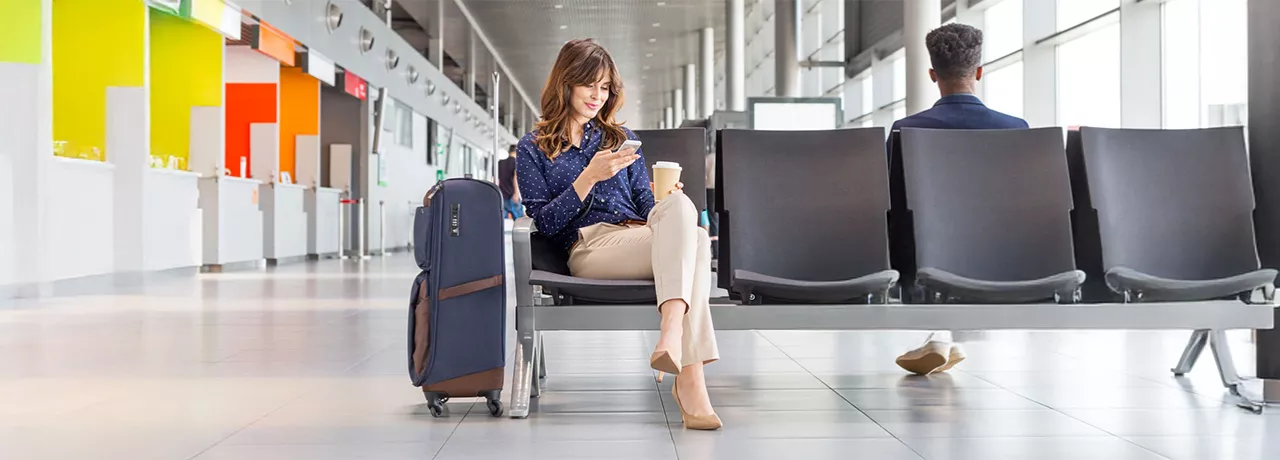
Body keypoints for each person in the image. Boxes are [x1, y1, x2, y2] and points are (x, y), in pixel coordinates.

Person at [515, 39, 721, 430]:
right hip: (589, 247)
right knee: (694, 242)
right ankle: (688, 377)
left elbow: (645, 205)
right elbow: (545, 223)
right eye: (589, 84)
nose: (598, 95)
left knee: (683, 211)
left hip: (638, 238)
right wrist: (588, 177)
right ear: (565, 83)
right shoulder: (533, 147)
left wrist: (667, 203)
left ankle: (672, 335)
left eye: (605, 87)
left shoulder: (619, 139)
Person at [890, 23, 1028, 376]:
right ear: (979, 72)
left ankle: (940, 335)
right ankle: (944, 337)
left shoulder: (906, 130)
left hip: (925, 257)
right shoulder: (1016, 129)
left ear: (932, 74)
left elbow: (891, 202)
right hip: (1003, 255)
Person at [497, 145, 522, 219]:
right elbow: (515, 178)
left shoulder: (500, 163)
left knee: (502, 221)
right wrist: (516, 193)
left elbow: (496, 179)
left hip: (501, 195)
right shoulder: (516, 163)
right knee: (520, 221)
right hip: (512, 195)